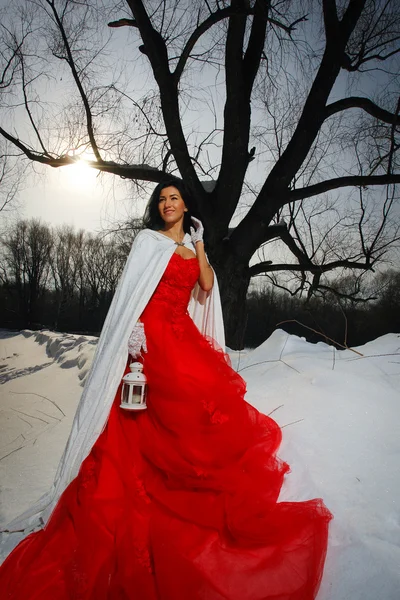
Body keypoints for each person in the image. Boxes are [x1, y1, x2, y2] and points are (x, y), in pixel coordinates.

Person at [0, 180, 332, 599]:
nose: (167, 203)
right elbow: (131, 295)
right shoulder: (147, 241)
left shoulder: (194, 247)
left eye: (174, 198)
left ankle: (188, 490)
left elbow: (206, 288)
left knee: (194, 410)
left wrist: (202, 245)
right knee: (146, 420)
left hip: (181, 335)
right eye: (162, 199)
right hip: (149, 336)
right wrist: (133, 339)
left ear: (186, 206)